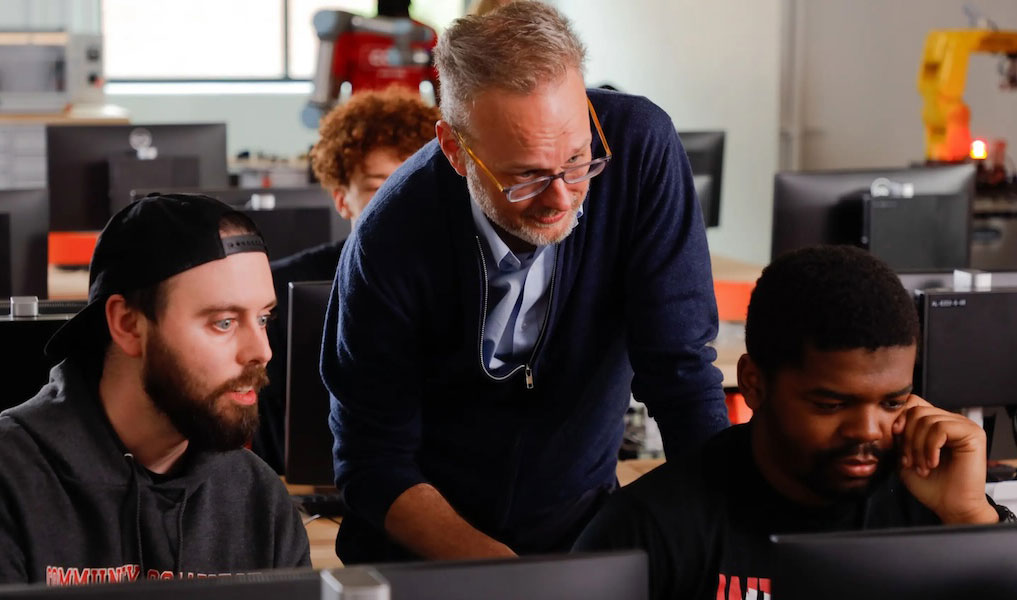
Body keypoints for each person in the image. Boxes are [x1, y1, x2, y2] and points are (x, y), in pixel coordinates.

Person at [323, 2, 728, 564]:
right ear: (455, 151)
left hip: (578, 530)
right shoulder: (390, 239)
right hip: (424, 555)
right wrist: (507, 577)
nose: (562, 197)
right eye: (527, 176)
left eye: (578, 159)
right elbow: (373, 461)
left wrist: (726, 540)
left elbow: (681, 373)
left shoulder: (639, 149)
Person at [574, 245, 1012, 600]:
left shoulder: (930, 500)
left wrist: (970, 516)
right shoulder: (650, 526)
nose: (868, 430)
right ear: (753, 384)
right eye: (831, 404)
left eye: (893, 403)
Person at [0, 194, 310, 584]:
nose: (262, 352)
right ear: (128, 325)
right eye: (224, 323)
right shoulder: (12, 484)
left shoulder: (258, 500)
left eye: (264, 318)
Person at [253, 87, 440, 473]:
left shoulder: (461, 283)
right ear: (342, 199)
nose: (397, 201)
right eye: (377, 187)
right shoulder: (277, 294)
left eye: (411, 182)